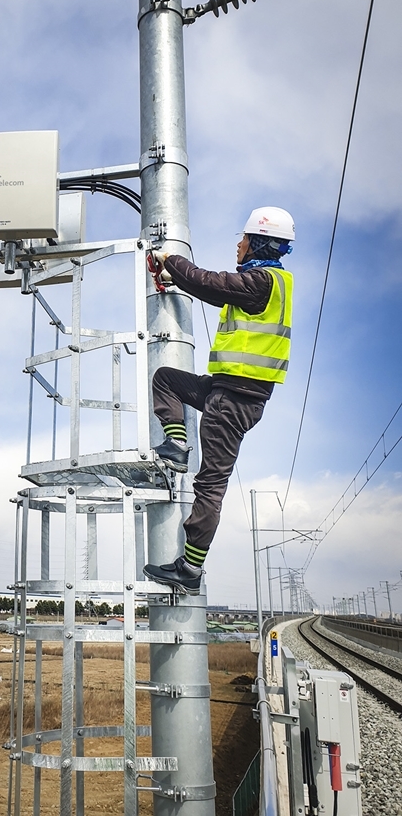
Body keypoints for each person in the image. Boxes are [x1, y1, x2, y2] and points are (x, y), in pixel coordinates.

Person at [143, 207, 295, 596]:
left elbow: (208, 282)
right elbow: (210, 289)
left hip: (234, 402)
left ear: (258, 241)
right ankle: (176, 444)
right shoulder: (259, 286)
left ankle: (190, 568)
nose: (238, 246)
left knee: (210, 484)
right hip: (224, 392)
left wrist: (170, 261)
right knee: (166, 380)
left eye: (243, 239)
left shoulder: (262, 281)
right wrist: (174, 279)